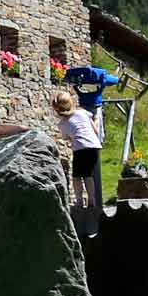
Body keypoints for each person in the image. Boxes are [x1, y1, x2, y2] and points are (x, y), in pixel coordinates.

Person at [54, 90, 104, 228]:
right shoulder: (82, 112)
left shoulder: (62, 124)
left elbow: (67, 138)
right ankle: (92, 201)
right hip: (94, 147)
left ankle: (79, 201)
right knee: (88, 175)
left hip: (80, 148)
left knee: (76, 176)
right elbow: (94, 129)